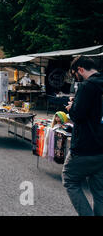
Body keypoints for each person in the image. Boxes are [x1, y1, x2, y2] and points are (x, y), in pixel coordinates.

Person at [64, 56, 103, 216]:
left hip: (85, 146)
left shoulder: (87, 86)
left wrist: (71, 107)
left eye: (75, 75)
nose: (76, 78)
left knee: (69, 179)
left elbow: (78, 114)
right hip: (101, 148)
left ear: (80, 69)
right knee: (99, 191)